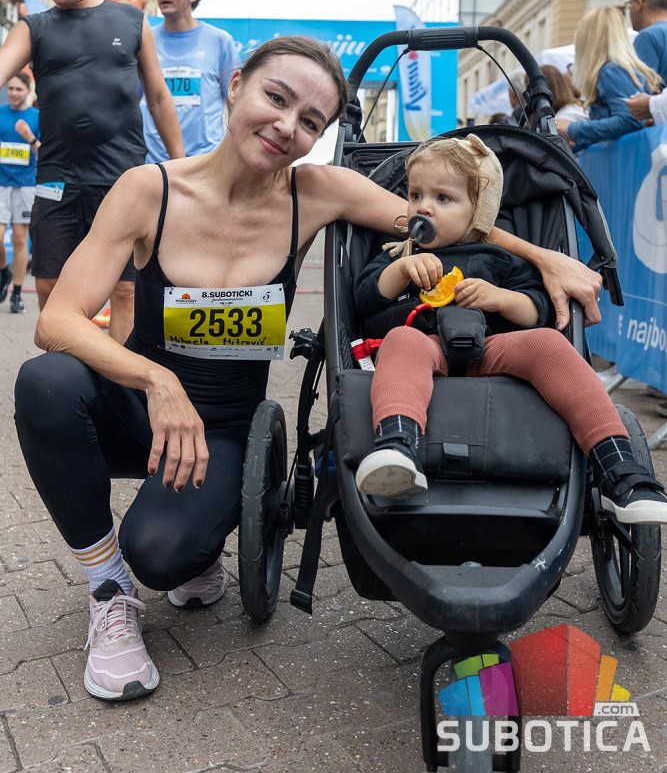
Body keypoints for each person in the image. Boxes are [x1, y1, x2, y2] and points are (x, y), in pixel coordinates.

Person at [13, 37, 604, 704]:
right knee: (46, 383)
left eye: (310, 121)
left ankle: (193, 544)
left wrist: (544, 258)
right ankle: (107, 589)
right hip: (144, 405)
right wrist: (157, 381)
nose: (285, 126)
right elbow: (56, 322)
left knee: (162, 555)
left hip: (224, 431)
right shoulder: (149, 189)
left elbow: (441, 222)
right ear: (235, 84)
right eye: (276, 97)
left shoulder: (316, 192)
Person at [354, 135, 667, 528]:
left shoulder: (500, 258)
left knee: (547, 341)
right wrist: (400, 271)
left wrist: (500, 298)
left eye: (443, 198)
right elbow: (365, 299)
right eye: (415, 194)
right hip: (426, 347)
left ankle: (620, 470)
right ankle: (397, 447)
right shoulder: (398, 252)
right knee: (402, 340)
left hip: (493, 349)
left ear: (478, 211)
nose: (424, 206)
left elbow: (538, 309)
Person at [0, 0, 185, 342]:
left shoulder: (131, 20)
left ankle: (118, 376)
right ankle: (69, 369)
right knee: (50, 284)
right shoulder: (34, 27)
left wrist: (181, 168)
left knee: (125, 288)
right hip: (56, 178)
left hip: (122, 178)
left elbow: (159, 97)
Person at [140, 0, 237, 161]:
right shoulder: (144, 40)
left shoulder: (220, 41)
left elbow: (237, 103)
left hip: (206, 163)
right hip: (155, 165)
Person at [555, 6, 662, 151]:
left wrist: (572, 129)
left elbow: (629, 120)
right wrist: (579, 144)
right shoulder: (618, 69)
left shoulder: (611, 71)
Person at [0, 72, 40, 313]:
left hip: (25, 185)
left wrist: (30, 138)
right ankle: (3, 270)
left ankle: (16, 292)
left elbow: (46, 152)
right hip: (1, 183)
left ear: (27, 91)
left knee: (19, 238)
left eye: (18, 89)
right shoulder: (0, 113)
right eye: (10, 89)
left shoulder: (37, 117)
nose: (14, 93)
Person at [627, 0, 667, 83]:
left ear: (639, 3)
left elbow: (640, 86)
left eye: (630, 4)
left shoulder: (648, 37)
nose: (629, 9)